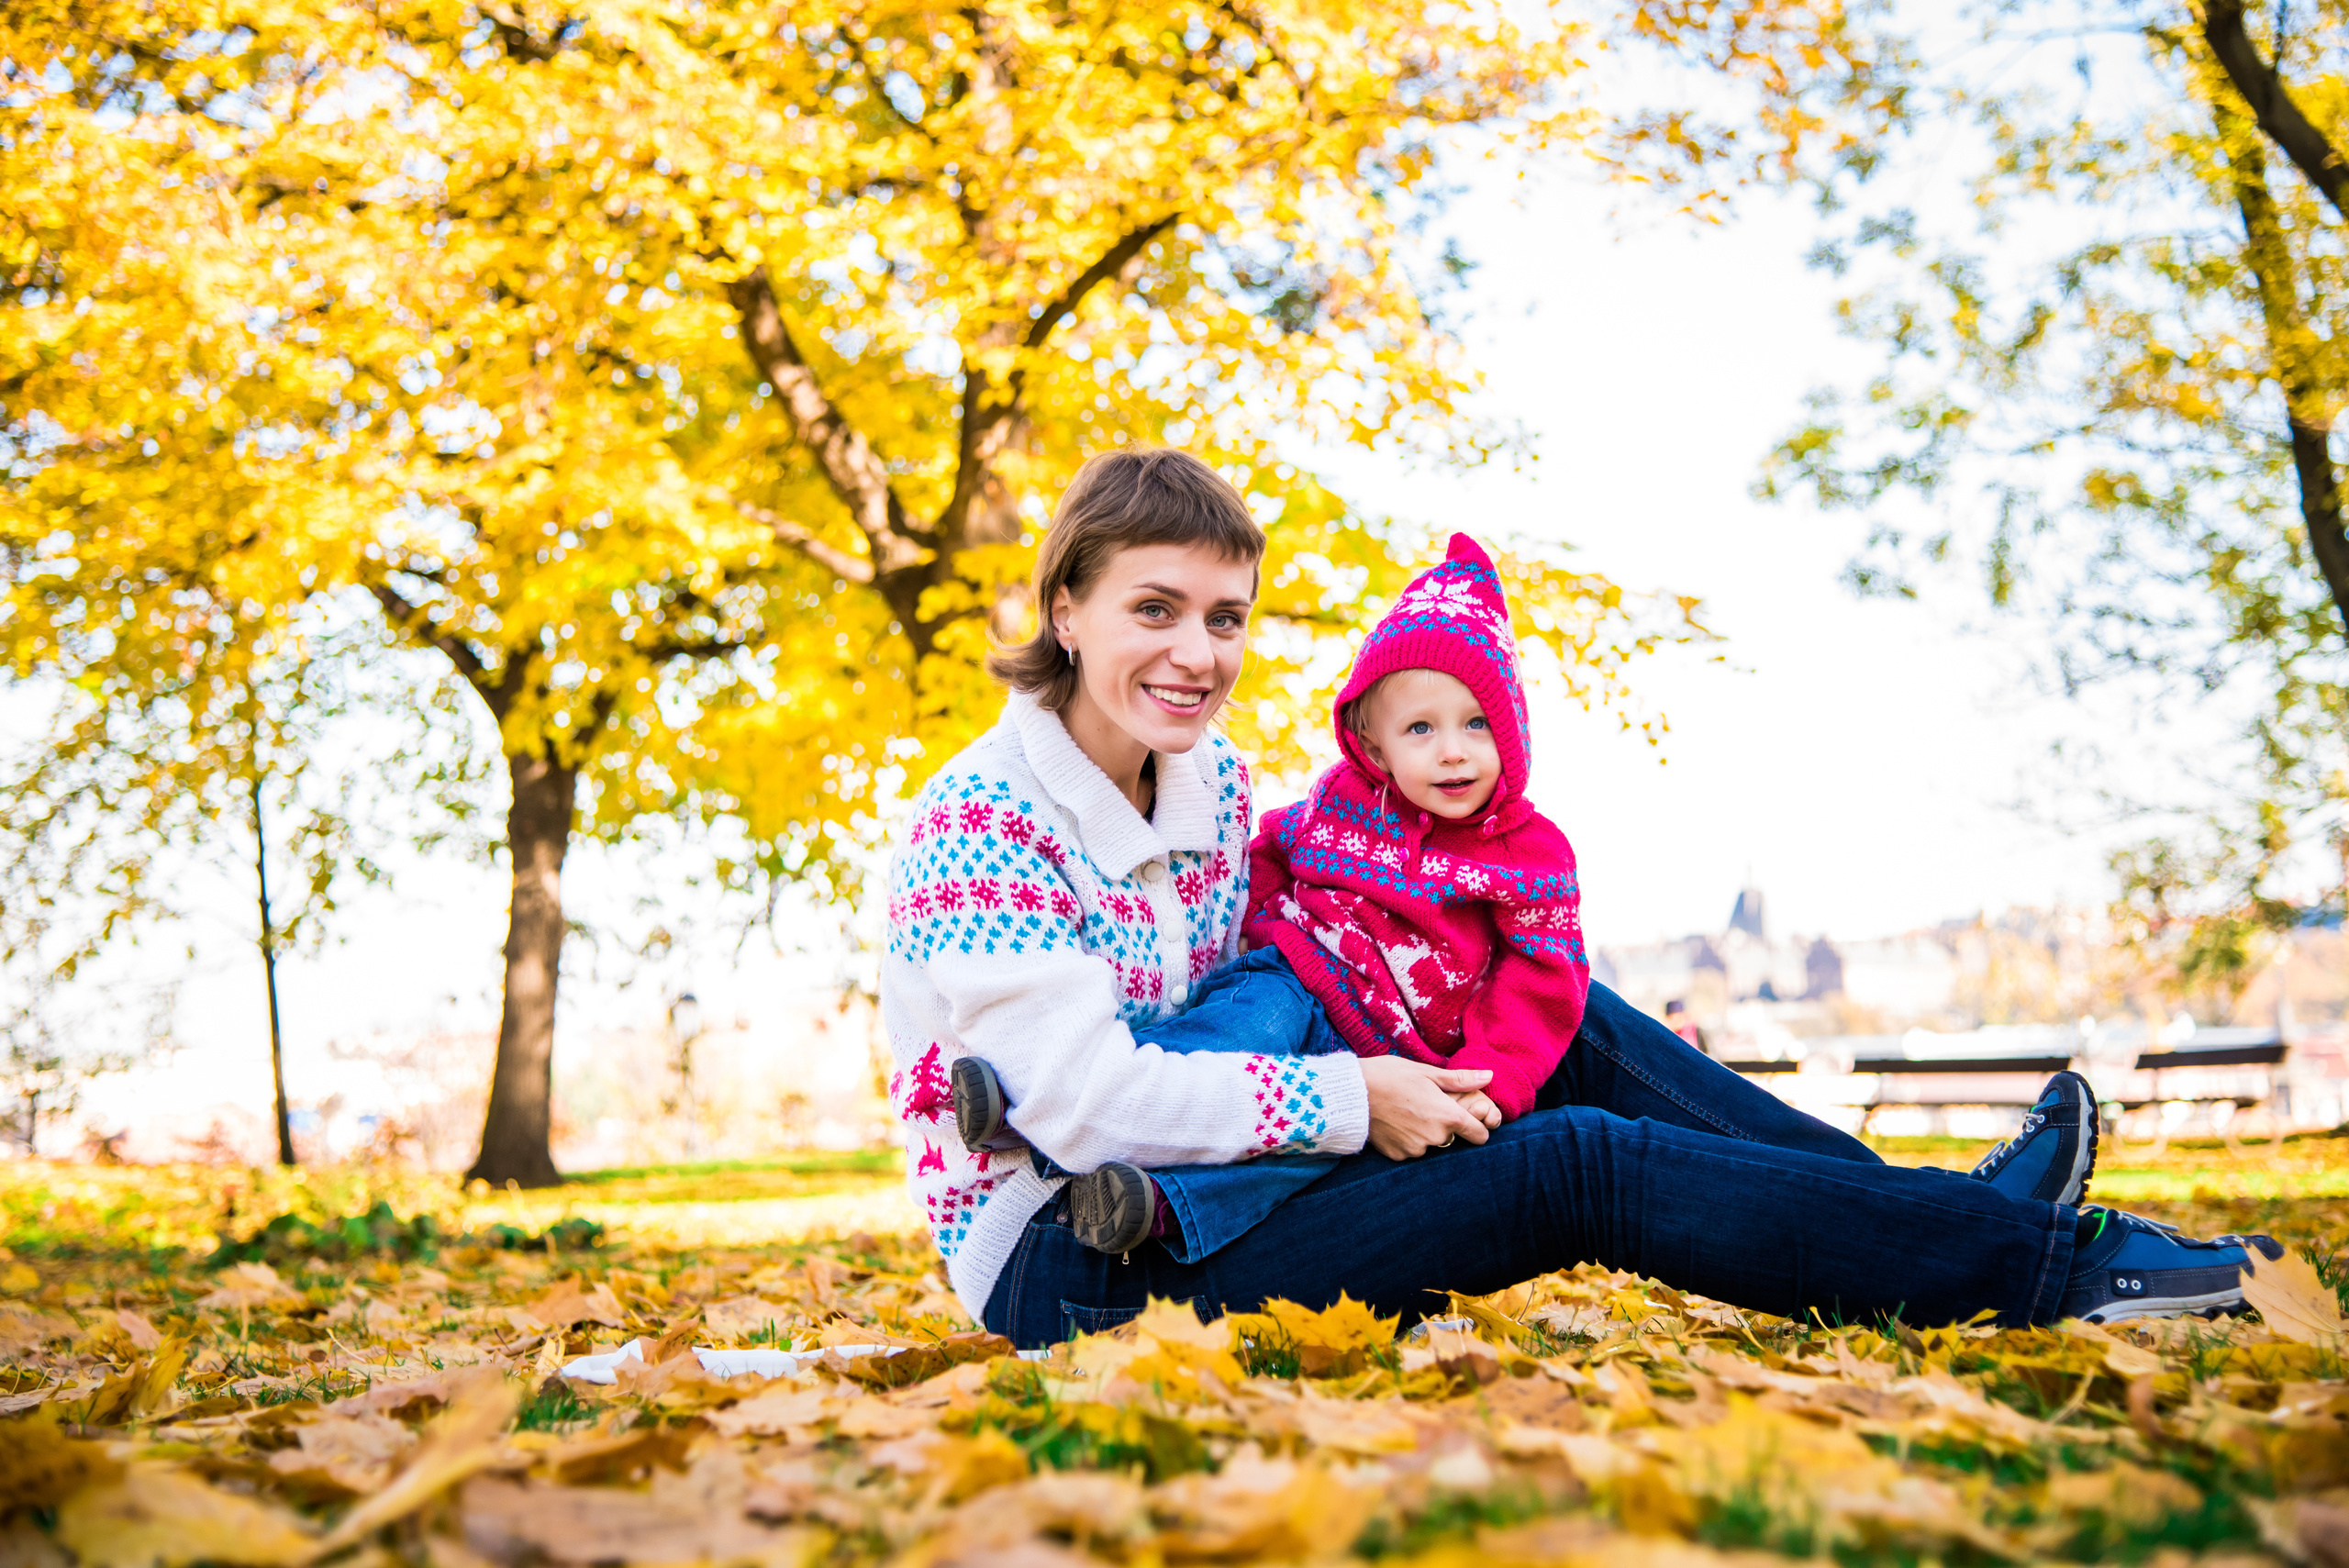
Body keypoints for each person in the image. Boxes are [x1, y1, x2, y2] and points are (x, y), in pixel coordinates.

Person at [880, 445, 2279, 1348]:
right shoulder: (980, 822)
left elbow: (1318, 973)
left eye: (1225, 617)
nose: (1197, 653)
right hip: (1075, 1259)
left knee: (1559, 1018)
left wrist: (1430, 997)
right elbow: (1074, 1103)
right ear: (1066, 609)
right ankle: (2063, 1265)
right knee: (1575, 1165)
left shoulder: (1219, 792)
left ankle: (1928, 1214)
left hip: (1236, 1160)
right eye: (1153, 610)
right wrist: (1361, 1098)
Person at [951, 534, 1590, 1261]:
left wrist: (1495, 1081)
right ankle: (1031, 1106)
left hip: (1389, 1042)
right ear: (1375, 748)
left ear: (1512, 733)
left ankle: (1152, 1205)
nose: (1453, 750)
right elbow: (1273, 858)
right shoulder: (1350, 804)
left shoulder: (1529, 856)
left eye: (1478, 724)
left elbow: (1543, 982)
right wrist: (1261, 926)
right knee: (1233, 1037)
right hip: (1295, 974)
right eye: (1421, 728)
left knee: (1301, 1149)